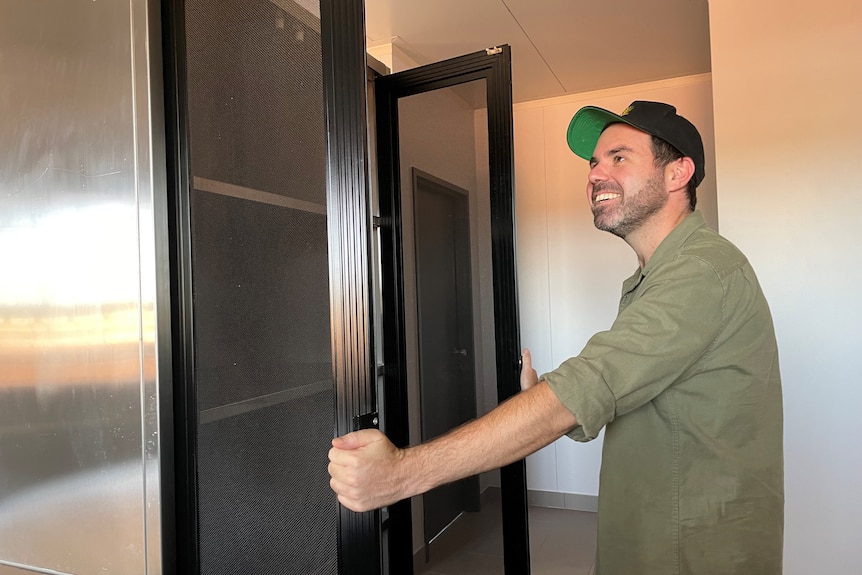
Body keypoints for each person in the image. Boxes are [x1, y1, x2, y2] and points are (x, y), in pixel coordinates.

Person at [328, 101, 784, 575]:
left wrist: (398, 474)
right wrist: (548, 403)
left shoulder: (700, 272)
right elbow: (627, 393)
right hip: (651, 543)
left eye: (619, 158)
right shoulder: (663, 274)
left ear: (678, 173)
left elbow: (588, 386)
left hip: (691, 554)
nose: (596, 175)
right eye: (594, 163)